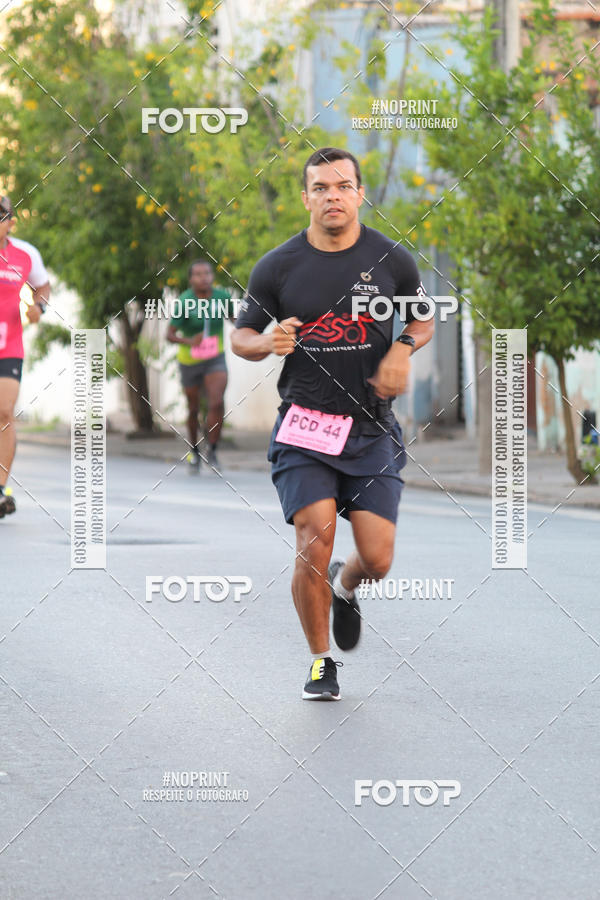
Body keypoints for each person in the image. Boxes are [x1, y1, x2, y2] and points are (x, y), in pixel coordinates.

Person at [231, 147, 435, 700]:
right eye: (320, 188)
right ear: (306, 198)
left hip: (370, 429)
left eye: (342, 186)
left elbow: (423, 316)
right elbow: (241, 335)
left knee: (378, 558)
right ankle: (321, 662)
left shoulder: (393, 259)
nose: (332, 196)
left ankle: (347, 588)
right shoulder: (278, 266)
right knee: (312, 539)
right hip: (305, 428)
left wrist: (403, 349)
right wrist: (264, 342)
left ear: (360, 193)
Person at [0, 196, 50, 519]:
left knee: (4, 412)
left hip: (9, 347)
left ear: (11, 221)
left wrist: (38, 307)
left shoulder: (25, 254)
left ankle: (1, 488)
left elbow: (43, 286)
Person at [167, 260, 232, 472]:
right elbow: (169, 335)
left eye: (207, 273)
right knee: (193, 408)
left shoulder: (222, 297)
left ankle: (212, 450)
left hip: (215, 357)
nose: (204, 277)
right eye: (198, 274)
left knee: (216, 402)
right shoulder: (185, 301)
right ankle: (194, 450)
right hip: (190, 360)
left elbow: (236, 320)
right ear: (190, 279)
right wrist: (189, 341)